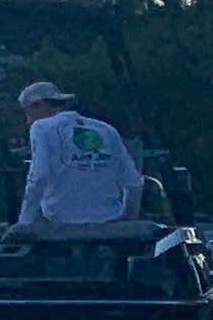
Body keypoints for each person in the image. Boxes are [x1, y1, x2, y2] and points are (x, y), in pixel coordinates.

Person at [12, 79, 145, 227]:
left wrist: (24, 223)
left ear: (39, 104)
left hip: (62, 224)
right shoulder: (106, 129)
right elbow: (134, 182)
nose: (28, 121)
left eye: (28, 113)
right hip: (109, 224)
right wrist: (129, 219)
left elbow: (39, 176)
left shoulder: (41, 128)